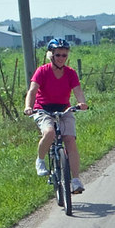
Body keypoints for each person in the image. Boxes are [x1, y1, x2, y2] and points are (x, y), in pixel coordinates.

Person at [25, 38, 89, 193]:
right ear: (51, 55)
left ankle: (75, 180)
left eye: (64, 55)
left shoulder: (70, 73)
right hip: (43, 109)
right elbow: (32, 91)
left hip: (64, 109)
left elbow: (78, 91)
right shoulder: (42, 71)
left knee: (70, 140)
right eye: (58, 55)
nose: (61, 58)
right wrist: (28, 107)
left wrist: (82, 103)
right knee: (49, 132)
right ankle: (40, 160)